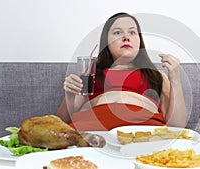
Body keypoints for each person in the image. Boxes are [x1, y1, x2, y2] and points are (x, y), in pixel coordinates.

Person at [56, 12, 188, 131]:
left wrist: (175, 78)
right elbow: (61, 122)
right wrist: (70, 94)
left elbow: (177, 125)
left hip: (144, 129)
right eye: (117, 33)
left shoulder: (156, 75)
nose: (126, 37)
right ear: (106, 42)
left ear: (139, 40)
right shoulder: (90, 74)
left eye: (132, 32)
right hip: (92, 126)